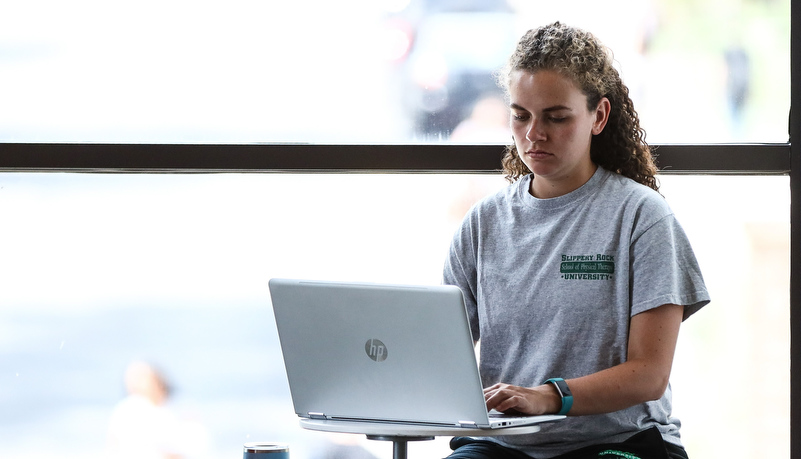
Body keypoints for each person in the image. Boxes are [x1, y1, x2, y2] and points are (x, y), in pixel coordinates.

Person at [442, 22, 710, 459]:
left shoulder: (641, 217)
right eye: (521, 115)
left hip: (617, 442)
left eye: (556, 117)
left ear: (598, 116)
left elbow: (648, 374)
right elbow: (441, 352)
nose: (534, 134)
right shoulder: (482, 223)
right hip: (503, 445)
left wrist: (549, 396)